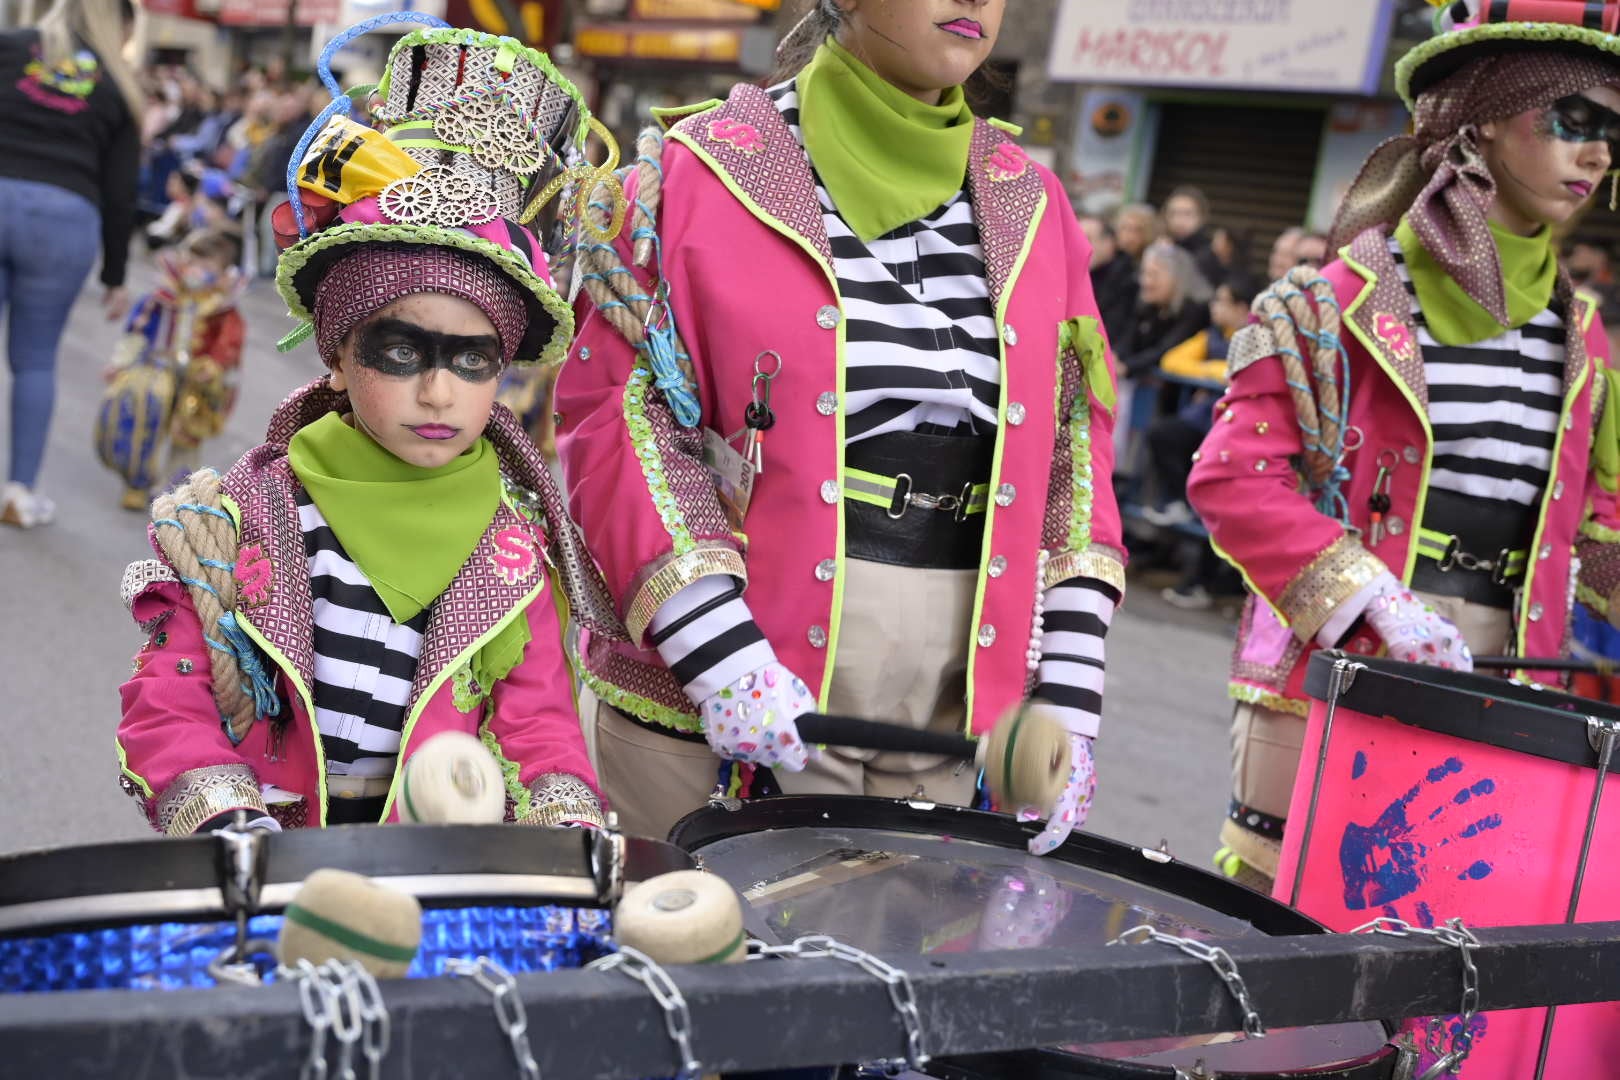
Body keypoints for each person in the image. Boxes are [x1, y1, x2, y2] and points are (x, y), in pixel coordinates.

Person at [557, 0, 1125, 854]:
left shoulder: (1035, 201)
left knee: (903, 967)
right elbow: (616, 421)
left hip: (959, 686)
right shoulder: (688, 172)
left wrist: (1069, 694)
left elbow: (1074, 444)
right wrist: (722, 659)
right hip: (728, 663)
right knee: (708, 959)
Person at [114, 23, 607, 835]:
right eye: (404, 350)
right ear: (338, 356)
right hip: (264, 859)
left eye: (474, 359)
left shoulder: (516, 551)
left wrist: (570, 826)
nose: (441, 391)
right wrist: (228, 822)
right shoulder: (241, 515)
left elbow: (540, 726)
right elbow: (172, 693)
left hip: (435, 875)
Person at [1188, 2, 1620, 892]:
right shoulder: (1325, 304)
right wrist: (1369, 598)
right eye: (1575, 120)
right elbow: (1235, 479)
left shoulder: (1587, 342)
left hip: (1510, 677)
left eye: (1616, 131)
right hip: (1337, 662)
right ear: (1488, 113)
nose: (1600, 154)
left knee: (1446, 960)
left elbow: (1602, 526)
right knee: (1285, 928)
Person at [0, 0, 142, 528]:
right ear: (120, 27)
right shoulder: (119, 86)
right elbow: (121, 191)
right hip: (64, 221)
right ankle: (18, 493)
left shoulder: (10, 48)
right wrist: (115, 276)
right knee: (35, 361)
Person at [96, 228, 247, 509]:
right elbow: (137, 332)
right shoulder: (164, 295)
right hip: (158, 367)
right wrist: (120, 363)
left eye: (207, 266)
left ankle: (174, 494)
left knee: (187, 435)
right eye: (192, 262)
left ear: (224, 272)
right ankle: (136, 483)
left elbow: (230, 343)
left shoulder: (223, 307)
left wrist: (214, 368)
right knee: (145, 420)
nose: (196, 271)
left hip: (196, 382)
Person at [1081, 214, 1136, 346]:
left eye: (1087, 239)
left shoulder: (1127, 280)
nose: (1079, 246)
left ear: (1109, 243)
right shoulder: (1080, 275)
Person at [1162, 185, 1224, 291]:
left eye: (1187, 214)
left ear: (1201, 218)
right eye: (1174, 213)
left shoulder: (1208, 254)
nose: (1179, 220)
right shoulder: (1163, 247)